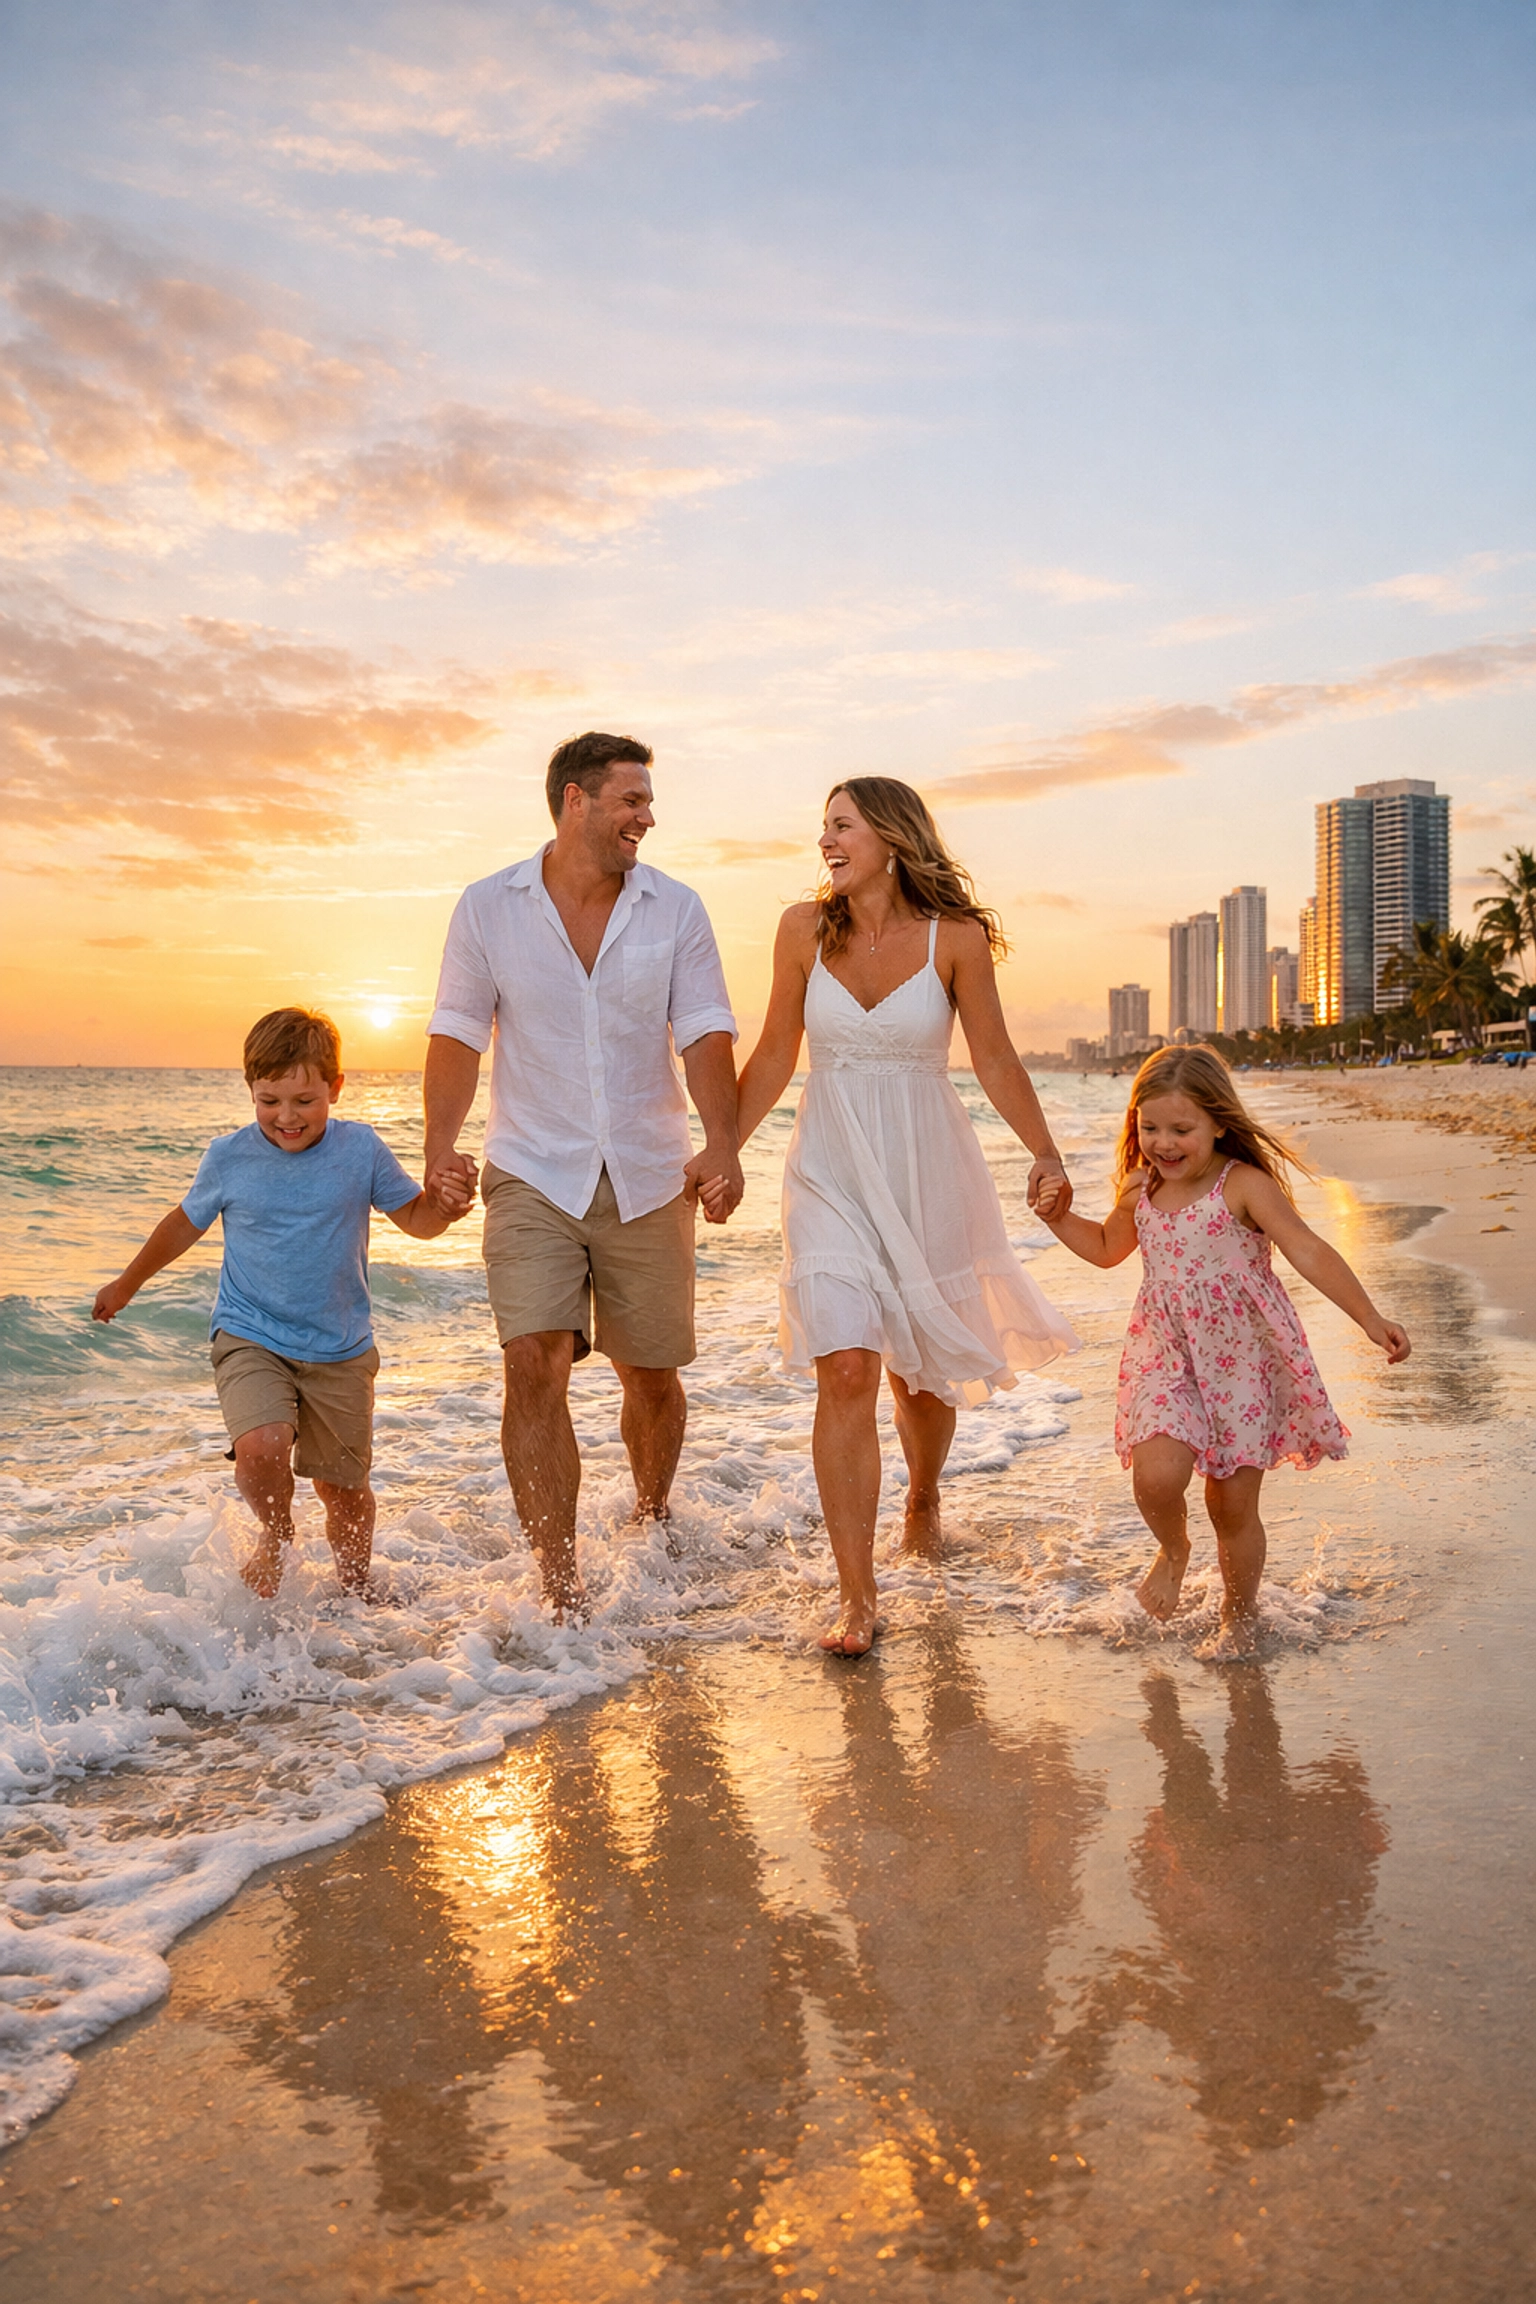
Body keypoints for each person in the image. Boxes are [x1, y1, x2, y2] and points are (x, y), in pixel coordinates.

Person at [722, 776, 1079, 1658]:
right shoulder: (802, 932)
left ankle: (922, 1495)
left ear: (888, 834)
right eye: (824, 829)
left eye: (840, 827)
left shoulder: (953, 939)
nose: (826, 843)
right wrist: (721, 1147)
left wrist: (1046, 1152)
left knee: (918, 1375)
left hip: (927, 1165)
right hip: (830, 1166)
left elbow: (991, 1056)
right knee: (845, 1366)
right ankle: (858, 1594)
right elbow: (773, 1052)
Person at [423, 731, 741, 1621]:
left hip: (646, 1171)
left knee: (650, 1375)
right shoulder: (489, 908)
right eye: (631, 800)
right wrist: (439, 1147)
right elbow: (455, 1030)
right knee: (533, 1359)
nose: (648, 816)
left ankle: (650, 1514)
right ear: (574, 800)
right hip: (531, 1167)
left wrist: (723, 1144)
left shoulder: (676, 908)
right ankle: (559, 1584)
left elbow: (706, 1032)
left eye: (647, 801)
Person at [1034, 1043, 1410, 1654]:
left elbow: (1307, 1248)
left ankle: (1239, 1619)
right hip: (1166, 1354)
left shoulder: (1244, 1185)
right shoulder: (1142, 1188)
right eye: (1149, 1126)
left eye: (1181, 1128)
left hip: (1242, 1363)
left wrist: (1368, 1316)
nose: (1164, 1142)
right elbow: (1106, 1247)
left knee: (1232, 1509)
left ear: (1218, 1123)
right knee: (1156, 1478)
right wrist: (1057, 1219)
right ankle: (1174, 1548)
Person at [91, 1008, 472, 1598]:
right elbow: (183, 1226)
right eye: (269, 1101)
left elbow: (416, 1220)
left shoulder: (361, 1149)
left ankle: (355, 1594)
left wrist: (443, 1208)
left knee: (343, 1490)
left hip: (341, 1346)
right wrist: (127, 1284)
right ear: (251, 1090)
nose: (286, 1118)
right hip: (250, 1332)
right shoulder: (229, 1156)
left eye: (304, 1101)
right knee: (262, 1446)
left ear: (335, 1089)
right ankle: (276, 1535)